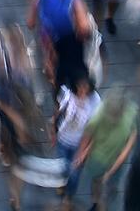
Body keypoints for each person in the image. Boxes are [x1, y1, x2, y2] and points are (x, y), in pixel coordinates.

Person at [74, 93, 139, 211]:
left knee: (107, 186)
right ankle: (97, 202)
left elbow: (126, 150)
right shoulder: (101, 114)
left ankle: (103, 201)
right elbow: (95, 135)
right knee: (97, 183)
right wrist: (84, 153)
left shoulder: (129, 118)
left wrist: (109, 173)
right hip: (98, 159)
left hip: (114, 161)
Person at [54, 75, 101, 207]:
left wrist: (85, 152)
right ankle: (62, 184)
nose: (81, 91)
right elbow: (59, 110)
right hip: (63, 139)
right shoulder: (68, 94)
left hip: (79, 145)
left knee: (74, 174)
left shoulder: (95, 101)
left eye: (85, 88)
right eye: (79, 87)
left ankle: (68, 197)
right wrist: (53, 128)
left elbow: (94, 130)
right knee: (62, 167)